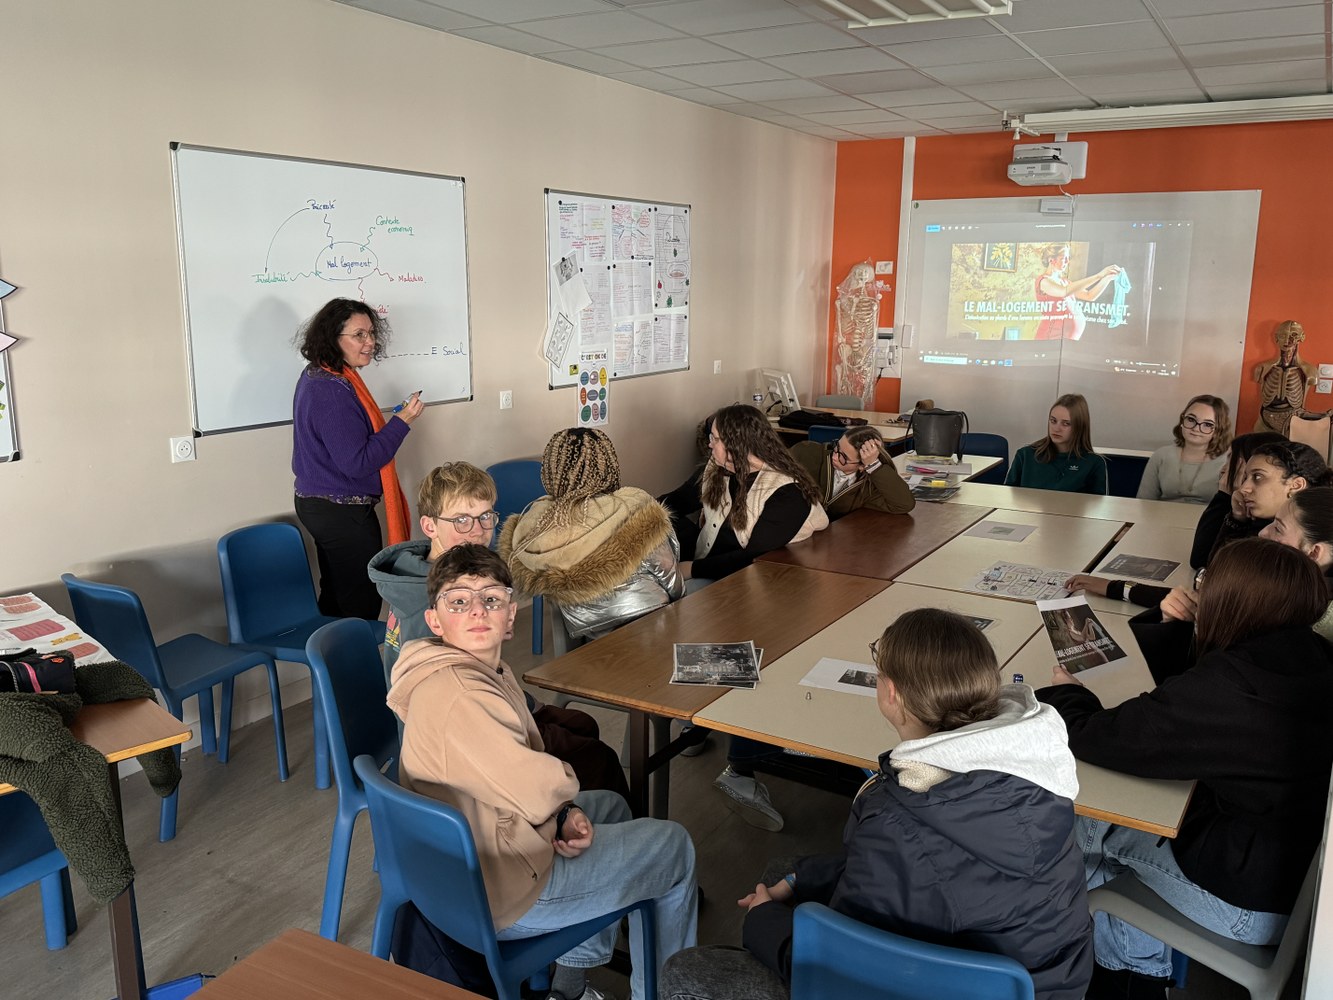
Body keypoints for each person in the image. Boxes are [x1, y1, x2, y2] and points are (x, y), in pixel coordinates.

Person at [661, 609, 1094, 1000]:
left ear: (892, 695)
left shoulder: (899, 817)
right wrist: (801, 878)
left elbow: (844, 964)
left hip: (930, 985)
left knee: (686, 973)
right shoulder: (1033, 767)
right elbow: (917, 872)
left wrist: (762, 920)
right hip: (1049, 979)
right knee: (784, 872)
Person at [388, 545, 698, 1000]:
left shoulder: (467, 669)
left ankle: (569, 987)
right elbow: (537, 789)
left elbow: (524, 783)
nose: (477, 610)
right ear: (435, 621)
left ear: (510, 615)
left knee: (609, 805)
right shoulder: (462, 694)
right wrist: (560, 800)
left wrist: (563, 809)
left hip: (470, 860)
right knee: (674, 846)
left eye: (491, 599)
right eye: (458, 601)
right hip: (498, 892)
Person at [1038, 538, 1333, 1000]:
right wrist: (1177, 627)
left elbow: (1104, 737)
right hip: (1293, 887)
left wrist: (1065, 693)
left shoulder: (1232, 686)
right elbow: (1184, 705)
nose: (1198, 588)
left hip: (1244, 902)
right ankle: (1131, 968)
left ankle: (1122, 979)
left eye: (1206, 580)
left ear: (1232, 600)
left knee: (1084, 822)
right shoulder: (1310, 652)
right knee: (1118, 833)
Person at [370, 462, 629, 800]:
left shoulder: (419, 570)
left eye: (485, 517)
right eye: (461, 520)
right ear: (429, 526)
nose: (478, 531)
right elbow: (462, 707)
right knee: (598, 757)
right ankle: (594, 822)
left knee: (581, 724)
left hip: (487, 698)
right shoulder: (434, 603)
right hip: (465, 736)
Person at [292, 298, 423, 619]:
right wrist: (402, 422)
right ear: (332, 338)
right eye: (359, 335)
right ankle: (351, 653)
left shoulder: (323, 375)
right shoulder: (332, 390)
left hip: (325, 505)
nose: (370, 342)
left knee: (337, 597)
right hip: (340, 511)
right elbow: (359, 462)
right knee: (359, 604)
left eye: (371, 333)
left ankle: (331, 652)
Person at [500, 428, 685, 641]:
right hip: (648, 614)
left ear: (551, 470)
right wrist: (680, 601)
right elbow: (666, 567)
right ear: (609, 465)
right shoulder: (633, 504)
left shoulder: (536, 522)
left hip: (588, 629)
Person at [1066, 431, 1287, 606]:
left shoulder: (1267, 532)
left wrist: (1115, 588)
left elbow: (1206, 579)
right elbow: (1203, 562)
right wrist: (1232, 510)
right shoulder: (1249, 515)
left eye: (1232, 462)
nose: (1223, 468)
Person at [671, 403, 829, 585]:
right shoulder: (718, 467)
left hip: (749, 578)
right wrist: (643, 509)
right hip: (708, 560)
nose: (709, 444)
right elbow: (679, 501)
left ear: (735, 444)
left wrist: (691, 569)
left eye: (715, 438)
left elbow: (753, 557)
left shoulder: (789, 493)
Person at [789, 426, 914, 519]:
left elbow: (904, 505)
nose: (834, 457)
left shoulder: (868, 486)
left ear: (862, 466)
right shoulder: (807, 453)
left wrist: (874, 466)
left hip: (834, 538)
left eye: (844, 457)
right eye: (837, 447)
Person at [1136, 395, 1232, 503]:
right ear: (1182, 420)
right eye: (1191, 419)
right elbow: (1143, 502)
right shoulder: (1161, 455)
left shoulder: (1228, 460)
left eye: (1207, 424)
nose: (1196, 428)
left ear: (1218, 430)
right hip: (1163, 513)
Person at [1005, 393, 1107, 494]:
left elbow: (1097, 503)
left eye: (1066, 424)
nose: (1056, 429)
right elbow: (1006, 497)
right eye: (1053, 421)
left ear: (1080, 426)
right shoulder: (1025, 455)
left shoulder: (1094, 463)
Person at [1033, 244, 1123, 341]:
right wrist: (1099, 275)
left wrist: (1107, 278)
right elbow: (1064, 291)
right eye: (1064, 258)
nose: (1067, 261)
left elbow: (1090, 296)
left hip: (1067, 339)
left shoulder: (1065, 282)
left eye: (1068, 258)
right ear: (1051, 260)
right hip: (1050, 336)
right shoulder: (1043, 281)